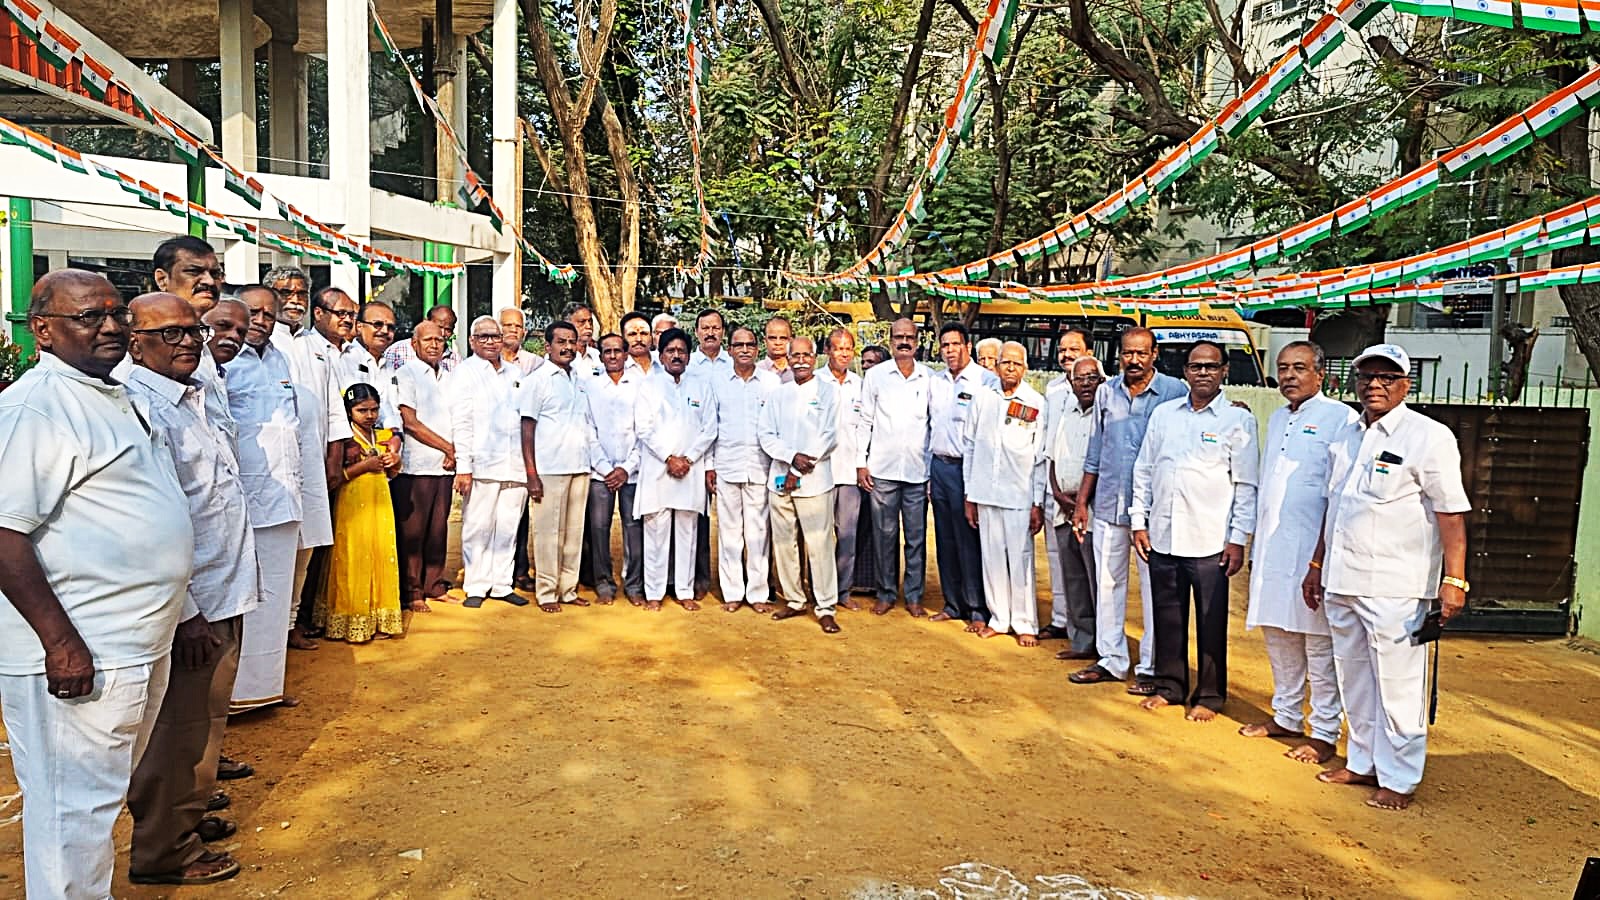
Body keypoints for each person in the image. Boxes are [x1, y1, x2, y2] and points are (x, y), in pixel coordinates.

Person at [0, 270, 195, 898]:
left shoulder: (115, 394)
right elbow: (4, 534)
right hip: (82, 647)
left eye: (116, 314)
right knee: (71, 811)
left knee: (95, 802)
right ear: (43, 330)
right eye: (89, 317)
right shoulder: (36, 408)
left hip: (132, 641)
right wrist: (61, 645)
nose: (110, 327)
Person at [122, 292, 255, 886]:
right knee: (179, 730)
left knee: (203, 723)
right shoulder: (141, 407)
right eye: (168, 334)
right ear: (135, 343)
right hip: (190, 604)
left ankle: (184, 821)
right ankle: (163, 849)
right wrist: (189, 613)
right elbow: (152, 521)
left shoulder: (192, 395)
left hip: (223, 586)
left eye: (191, 331)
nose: (186, 343)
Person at [1305, 343, 1470, 811]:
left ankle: (1399, 777)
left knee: (1398, 684)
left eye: (1387, 377)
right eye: (1366, 376)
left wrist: (1455, 580)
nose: (1374, 385)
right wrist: (1317, 565)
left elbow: (1451, 514)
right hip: (1343, 578)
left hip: (1396, 585)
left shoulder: (1428, 436)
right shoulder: (1348, 435)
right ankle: (1363, 762)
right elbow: (1335, 508)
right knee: (1354, 677)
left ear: (1405, 385)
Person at [1238, 342, 1355, 763]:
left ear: (1320, 374)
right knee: (1278, 635)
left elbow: (1338, 495)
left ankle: (1324, 732)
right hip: (1274, 550)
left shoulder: (1341, 418)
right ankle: (1286, 716)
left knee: (1319, 645)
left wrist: (1319, 561)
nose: (1289, 375)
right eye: (1283, 368)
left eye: (1299, 368)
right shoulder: (1278, 417)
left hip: (1313, 554)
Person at [1130, 341, 1258, 722]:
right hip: (1164, 535)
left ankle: (1210, 695)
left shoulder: (1238, 421)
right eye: (1196, 366)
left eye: (1211, 366)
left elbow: (1245, 485)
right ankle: (1170, 686)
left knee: (1210, 621)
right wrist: (1139, 521)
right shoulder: (1164, 415)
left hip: (1210, 540)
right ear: (1185, 371)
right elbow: (1144, 469)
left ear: (1224, 371)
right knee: (1167, 617)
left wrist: (1238, 538)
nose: (1203, 373)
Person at [1068, 327, 1188, 692]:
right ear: (1119, 355)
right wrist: (1082, 503)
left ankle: (1151, 667)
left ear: (1154, 355)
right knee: (1107, 584)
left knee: (1155, 591)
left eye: (1141, 353)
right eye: (1127, 353)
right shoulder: (1107, 392)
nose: (1133, 360)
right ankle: (1112, 659)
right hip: (1108, 503)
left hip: (1153, 512)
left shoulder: (1175, 392)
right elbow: (1096, 449)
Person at [215, 287, 305, 713]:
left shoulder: (280, 358)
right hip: (245, 496)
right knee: (244, 599)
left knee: (276, 596)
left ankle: (265, 688)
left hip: (284, 493)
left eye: (270, 314)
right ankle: (231, 695)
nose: (262, 321)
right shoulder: (223, 362)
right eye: (254, 313)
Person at [285, 286, 359, 650]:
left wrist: (334, 459)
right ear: (320, 314)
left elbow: (333, 410)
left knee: (311, 546)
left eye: (300, 292)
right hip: (279, 466)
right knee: (283, 549)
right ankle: (282, 626)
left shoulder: (321, 351)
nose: (293, 300)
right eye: (285, 293)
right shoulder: (280, 347)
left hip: (318, 463)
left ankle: (295, 622)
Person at [962, 341, 1047, 645]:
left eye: (1016, 363)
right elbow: (970, 445)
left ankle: (1025, 623)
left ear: (1025, 368)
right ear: (996, 366)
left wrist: (1037, 501)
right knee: (992, 558)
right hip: (985, 492)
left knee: (1020, 559)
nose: (1010, 368)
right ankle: (999, 619)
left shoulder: (1036, 402)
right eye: (1005, 362)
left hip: (1019, 494)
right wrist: (970, 494)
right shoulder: (982, 397)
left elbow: (1040, 456)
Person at [634, 328, 718, 611]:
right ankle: (654, 592)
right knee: (655, 533)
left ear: (688, 356)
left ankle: (684, 590)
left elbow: (710, 428)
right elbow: (643, 428)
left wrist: (689, 458)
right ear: (661, 356)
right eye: (670, 351)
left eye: (681, 350)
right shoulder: (649, 386)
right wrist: (669, 458)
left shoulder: (701, 386)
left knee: (687, 533)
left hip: (690, 471)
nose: (676, 355)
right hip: (659, 470)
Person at [452, 316, 532, 608]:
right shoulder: (465, 373)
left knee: (508, 527)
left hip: (515, 465)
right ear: (472, 341)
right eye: (483, 336)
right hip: (482, 464)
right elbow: (461, 421)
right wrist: (464, 467)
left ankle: (501, 584)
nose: (490, 341)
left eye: (495, 336)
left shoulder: (516, 373)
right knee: (478, 526)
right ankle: (476, 585)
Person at [762, 337, 842, 632]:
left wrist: (799, 467)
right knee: (784, 544)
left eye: (806, 355)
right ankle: (795, 600)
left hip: (814, 481)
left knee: (819, 545)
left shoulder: (828, 392)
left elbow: (829, 435)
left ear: (815, 356)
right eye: (795, 355)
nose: (800, 360)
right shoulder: (778, 394)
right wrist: (790, 458)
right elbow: (765, 434)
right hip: (780, 481)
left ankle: (825, 607)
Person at [857, 317, 934, 617]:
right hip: (882, 471)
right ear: (890, 341)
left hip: (917, 473)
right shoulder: (876, 376)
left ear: (917, 341)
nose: (904, 342)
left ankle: (914, 596)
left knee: (916, 539)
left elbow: (933, 425)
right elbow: (865, 420)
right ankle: (886, 593)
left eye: (909, 337)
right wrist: (861, 463)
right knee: (884, 536)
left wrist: (931, 471)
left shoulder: (929, 378)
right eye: (898, 337)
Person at [316, 383, 404, 641]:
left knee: (380, 555)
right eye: (362, 410)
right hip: (352, 505)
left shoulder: (382, 435)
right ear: (348, 411)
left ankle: (378, 619)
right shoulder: (346, 440)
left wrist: (395, 460)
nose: (369, 415)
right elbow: (335, 478)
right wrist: (365, 466)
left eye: (374, 409)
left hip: (380, 504)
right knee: (352, 556)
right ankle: (350, 619)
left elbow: (391, 473)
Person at [928, 322, 1000, 629]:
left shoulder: (986, 381)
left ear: (968, 347)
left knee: (969, 539)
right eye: (945, 345)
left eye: (955, 344)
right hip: (939, 467)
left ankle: (977, 609)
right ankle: (952, 603)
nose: (950, 350)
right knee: (945, 539)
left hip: (966, 470)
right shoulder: (936, 382)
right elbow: (930, 427)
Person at [708, 325, 781, 612]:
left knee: (758, 533)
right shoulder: (718, 382)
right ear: (730, 350)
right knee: (729, 532)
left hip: (760, 468)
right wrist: (709, 466)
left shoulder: (771, 383)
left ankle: (758, 593)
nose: (745, 349)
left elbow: (778, 426)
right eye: (738, 345)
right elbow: (710, 426)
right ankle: (732, 592)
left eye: (750, 344)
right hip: (727, 466)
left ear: (757, 348)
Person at [521, 321, 592, 612]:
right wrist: (531, 474)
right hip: (549, 468)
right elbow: (527, 428)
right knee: (548, 534)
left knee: (574, 533)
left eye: (572, 342)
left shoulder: (579, 378)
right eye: (561, 342)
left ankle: (568, 589)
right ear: (547, 346)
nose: (567, 347)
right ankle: (547, 592)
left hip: (580, 466)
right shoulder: (537, 380)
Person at [393, 321, 457, 613]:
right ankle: (412, 591)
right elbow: (410, 422)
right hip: (416, 465)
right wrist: (448, 447)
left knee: (438, 528)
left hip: (444, 465)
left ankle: (434, 584)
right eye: (427, 340)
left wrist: (454, 452)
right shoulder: (406, 373)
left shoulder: (450, 376)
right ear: (414, 344)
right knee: (413, 531)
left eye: (439, 340)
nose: (434, 345)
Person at [1044, 355, 1104, 662]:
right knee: (1074, 579)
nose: (1085, 383)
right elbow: (1052, 457)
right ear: (1070, 382)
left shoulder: (1105, 414)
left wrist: (1081, 499)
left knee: (1096, 579)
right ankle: (1082, 641)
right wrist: (1057, 493)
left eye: (1092, 377)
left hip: (1091, 509)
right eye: (1079, 378)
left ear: (1102, 380)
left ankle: (1104, 646)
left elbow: (1102, 463)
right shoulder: (1065, 412)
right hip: (1063, 508)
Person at [1039, 328, 1093, 642]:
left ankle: (1093, 634)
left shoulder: (1103, 388)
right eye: (1062, 349)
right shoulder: (1054, 388)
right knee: (1058, 559)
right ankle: (1062, 620)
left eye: (1074, 349)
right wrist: (1053, 491)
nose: (1066, 354)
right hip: (1055, 489)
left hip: (1088, 498)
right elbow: (1050, 441)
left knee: (1089, 567)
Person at [585, 333, 645, 605]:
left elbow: (645, 431)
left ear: (626, 354)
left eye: (617, 351)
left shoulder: (641, 386)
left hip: (633, 472)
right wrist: (605, 468)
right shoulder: (591, 387)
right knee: (599, 528)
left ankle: (633, 585)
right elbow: (588, 430)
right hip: (601, 473)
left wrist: (626, 468)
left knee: (634, 529)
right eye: (607, 351)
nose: (612, 356)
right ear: (600, 356)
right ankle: (604, 584)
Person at [822, 327, 867, 612]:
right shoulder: (815, 382)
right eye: (838, 348)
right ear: (827, 350)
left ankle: (842, 590)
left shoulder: (860, 385)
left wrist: (863, 464)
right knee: (820, 537)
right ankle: (820, 589)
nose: (844, 353)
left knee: (847, 536)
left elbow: (865, 428)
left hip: (850, 472)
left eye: (848, 348)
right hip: (820, 472)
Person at [851, 344, 888, 595]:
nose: (866, 367)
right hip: (857, 466)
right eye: (863, 362)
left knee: (882, 527)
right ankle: (857, 578)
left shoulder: (890, 390)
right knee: (858, 523)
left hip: (883, 468)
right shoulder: (856, 387)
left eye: (871, 362)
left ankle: (880, 582)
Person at [344, 300, 403, 430]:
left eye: (391, 327)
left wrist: (396, 433)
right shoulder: (346, 358)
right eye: (377, 324)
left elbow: (393, 408)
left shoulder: (390, 365)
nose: (385, 331)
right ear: (359, 326)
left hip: (392, 438)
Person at [152, 234, 223, 315]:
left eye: (215, 273)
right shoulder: (144, 322)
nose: (210, 281)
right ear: (162, 279)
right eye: (194, 271)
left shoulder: (225, 320)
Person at [385, 304, 460, 372]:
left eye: (448, 330)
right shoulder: (398, 351)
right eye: (438, 327)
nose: (442, 333)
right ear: (426, 322)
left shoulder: (456, 360)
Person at [263, 265, 311, 339]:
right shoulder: (260, 339)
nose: (295, 300)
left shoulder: (316, 341)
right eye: (286, 293)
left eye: (302, 293)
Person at [563, 301, 603, 378]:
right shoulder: (558, 357)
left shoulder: (596, 355)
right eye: (582, 322)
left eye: (590, 322)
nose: (588, 326)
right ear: (567, 324)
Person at [500, 307, 542, 376]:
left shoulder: (535, 363)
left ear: (524, 333)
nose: (513, 330)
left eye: (518, 326)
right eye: (508, 325)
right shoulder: (486, 360)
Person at [757, 315, 796, 384]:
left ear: (790, 341)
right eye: (773, 338)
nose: (778, 343)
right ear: (765, 341)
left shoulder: (798, 371)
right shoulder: (755, 371)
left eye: (783, 338)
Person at [690, 307, 731, 372]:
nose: (710, 333)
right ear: (696, 332)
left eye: (716, 328)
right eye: (705, 328)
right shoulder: (686, 364)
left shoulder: (734, 362)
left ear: (723, 332)